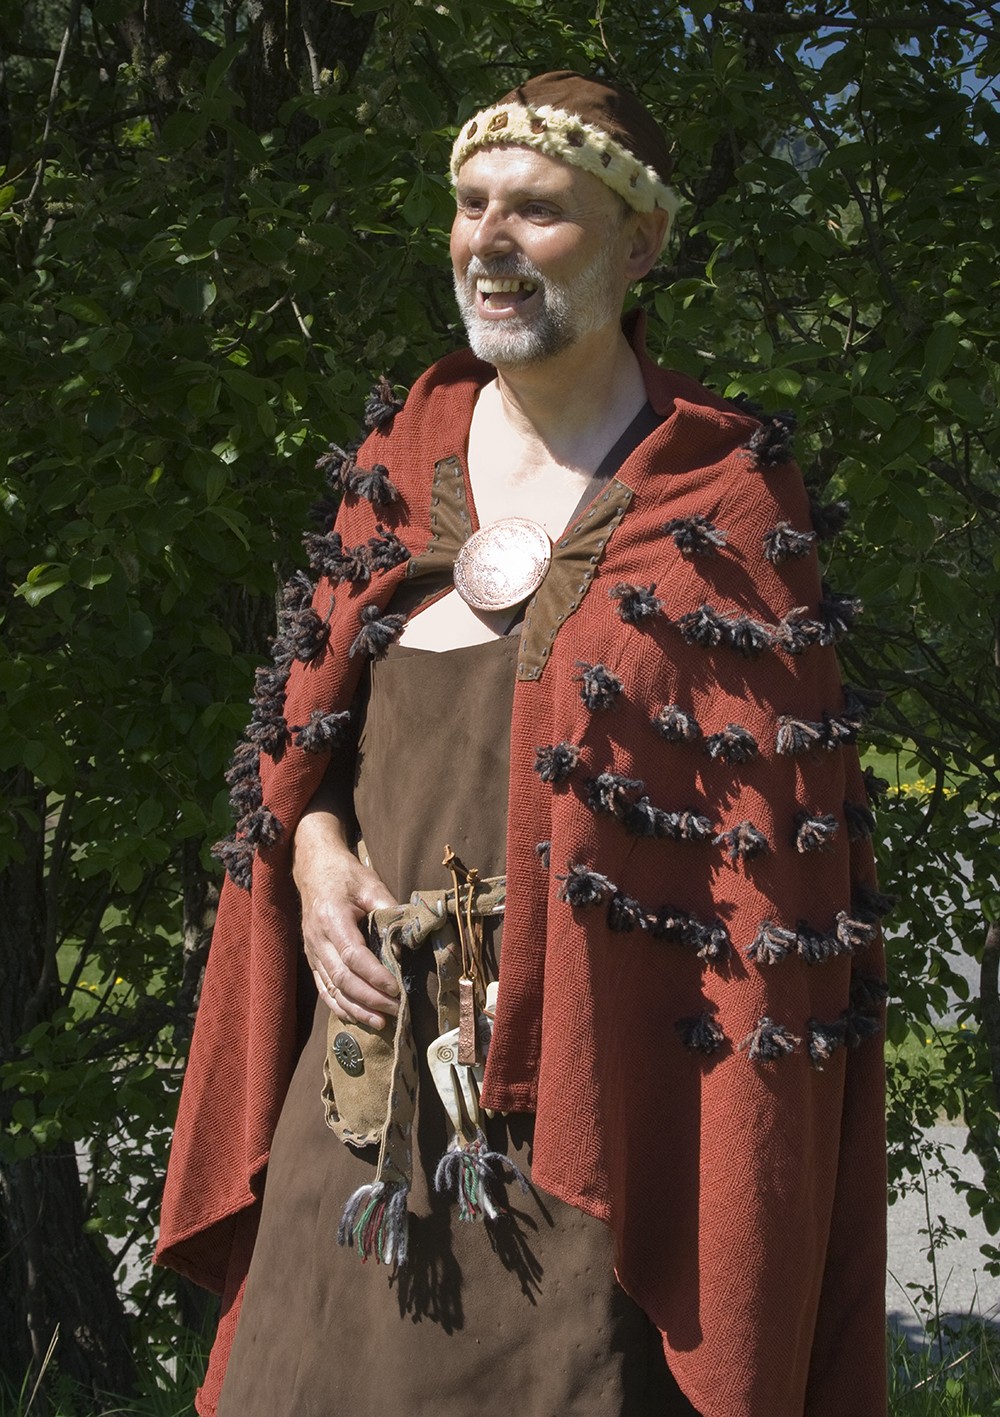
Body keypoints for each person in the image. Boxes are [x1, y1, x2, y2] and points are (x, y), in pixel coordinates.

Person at [157, 71, 888, 1417]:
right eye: (471, 203)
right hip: (360, 1123)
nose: (488, 238)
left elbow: (776, 903)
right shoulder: (397, 458)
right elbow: (300, 760)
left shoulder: (721, 504)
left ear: (639, 244)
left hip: (589, 1142)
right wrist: (314, 855)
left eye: (539, 210)